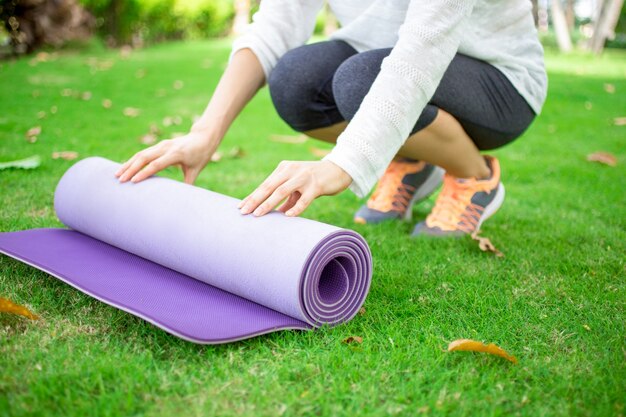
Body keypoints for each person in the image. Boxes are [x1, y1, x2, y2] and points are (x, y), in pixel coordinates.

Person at [115, 0, 547, 237]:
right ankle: (411, 161)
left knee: (360, 80)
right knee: (295, 82)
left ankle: (475, 178)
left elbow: (422, 51)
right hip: (383, 61)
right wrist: (204, 134)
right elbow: (274, 27)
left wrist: (343, 166)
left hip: (499, 81)